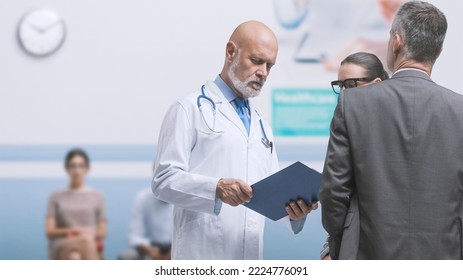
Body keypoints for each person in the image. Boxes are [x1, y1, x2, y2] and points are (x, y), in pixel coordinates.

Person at [152, 20, 318, 260]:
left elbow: (272, 198)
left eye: (269, 66)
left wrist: (295, 212)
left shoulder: (262, 129)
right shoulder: (188, 109)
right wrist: (216, 189)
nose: (263, 72)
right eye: (257, 60)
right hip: (201, 256)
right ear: (231, 52)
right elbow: (163, 181)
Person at [320, 1, 463, 259]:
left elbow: (334, 192)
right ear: (439, 51)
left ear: (396, 42)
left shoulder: (352, 103)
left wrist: (340, 248)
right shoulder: (460, 111)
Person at [321, 52, 389, 260]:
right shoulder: (346, 124)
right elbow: (338, 197)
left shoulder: (398, 131)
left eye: (350, 85)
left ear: (377, 84)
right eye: (340, 86)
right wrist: (330, 251)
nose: (343, 94)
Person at [46, 148, 106, 259]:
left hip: (90, 241)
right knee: (84, 242)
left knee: (75, 257)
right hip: (62, 243)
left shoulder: (97, 196)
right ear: (66, 169)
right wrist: (76, 232)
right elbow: (50, 231)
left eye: (81, 166)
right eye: (73, 166)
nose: (76, 170)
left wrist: (89, 234)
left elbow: (102, 232)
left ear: (87, 169)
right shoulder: (55, 196)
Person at [119, 188, 173, 260]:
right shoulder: (143, 198)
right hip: (149, 250)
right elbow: (134, 235)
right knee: (126, 256)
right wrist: (149, 250)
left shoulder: (186, 199)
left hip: (177, 249)